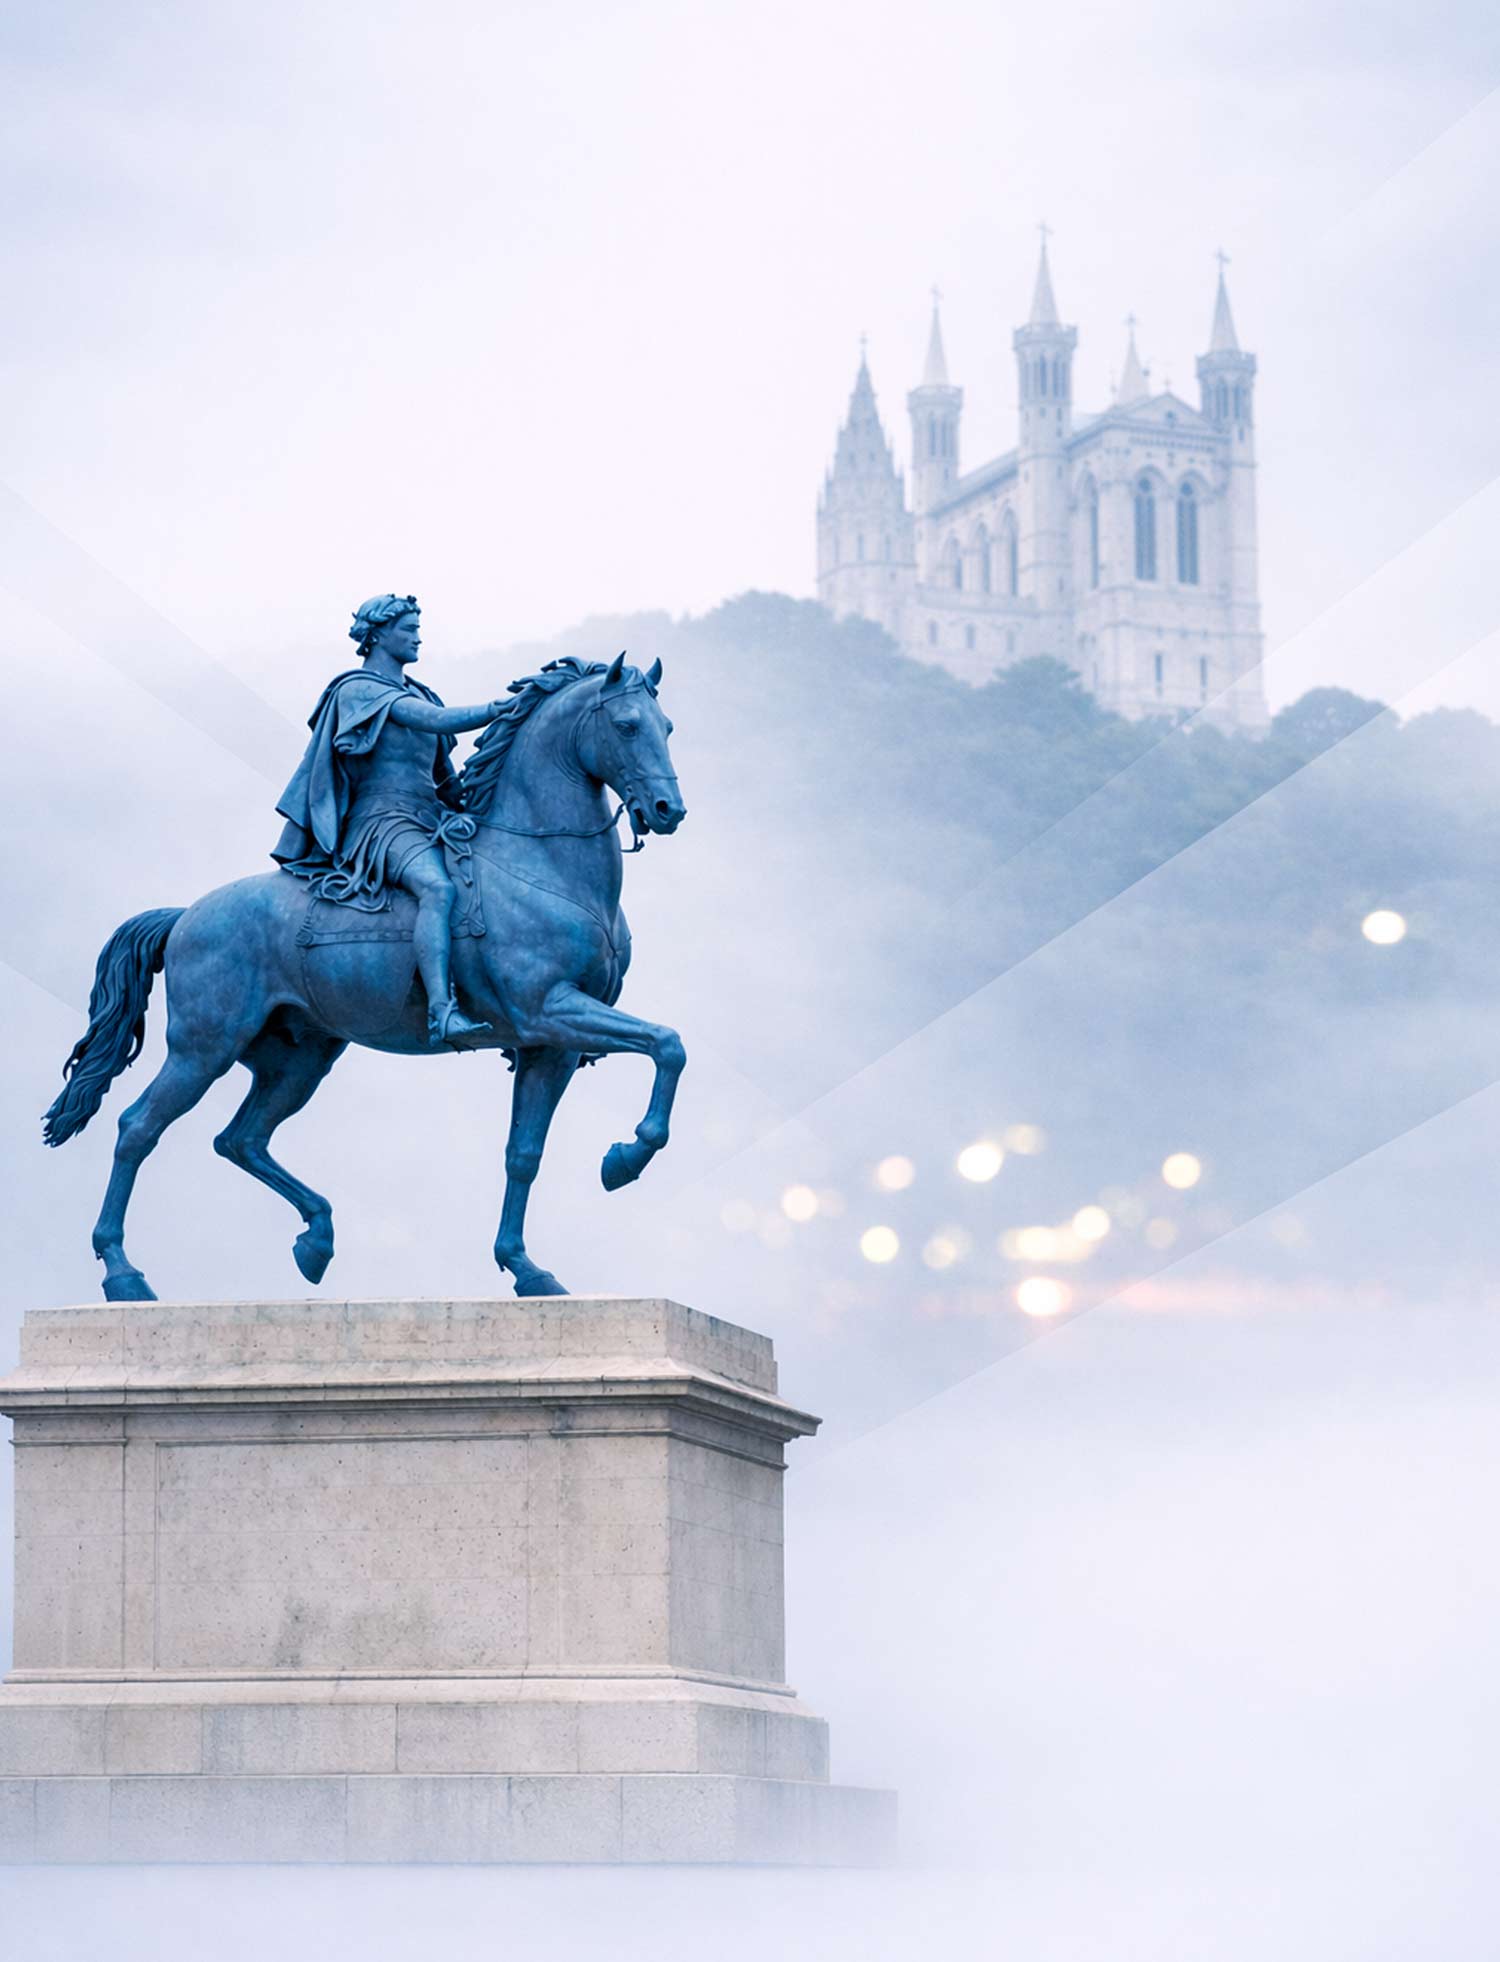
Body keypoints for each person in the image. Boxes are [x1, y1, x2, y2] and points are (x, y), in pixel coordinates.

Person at [273, 593, 503, 1046]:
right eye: (408, 628)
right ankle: (442, 1011)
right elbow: (435, 721)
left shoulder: (421, 691)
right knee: (437, 888)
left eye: (418, 628)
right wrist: (500, 710)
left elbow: (446, 782)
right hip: (381, 822)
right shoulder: (358, 689)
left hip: (431, 818)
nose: (419, 636)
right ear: (377, 634)